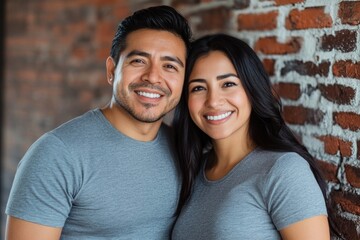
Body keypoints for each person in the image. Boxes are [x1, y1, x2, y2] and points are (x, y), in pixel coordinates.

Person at [5, 5, 192, 240]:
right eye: (138, 61)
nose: (153, 77)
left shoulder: (185, 148)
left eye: (170, 66)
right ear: (112, 70)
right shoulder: (57, 154)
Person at [171, 33, 337, 239]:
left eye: (228, 84)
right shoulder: (192, 171)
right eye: (198, 88)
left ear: (252, 89)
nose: (213, 101)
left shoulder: (284, 170)